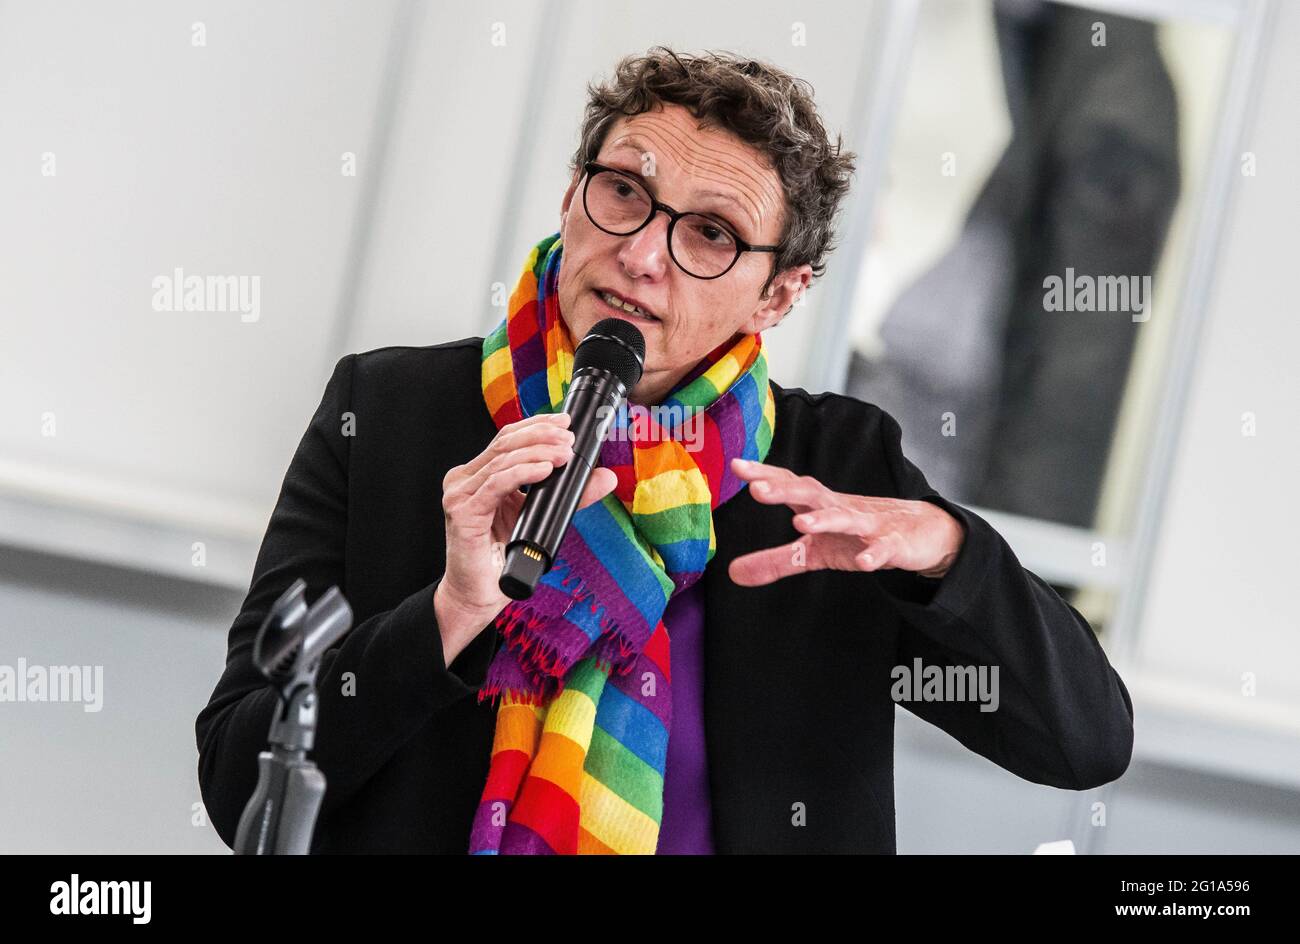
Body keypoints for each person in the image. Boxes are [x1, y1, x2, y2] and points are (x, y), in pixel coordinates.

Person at [195, 46, 1134, 854]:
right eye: (625, 193)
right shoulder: (392, 410)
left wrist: (945, 552)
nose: (644, 254)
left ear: (780, 295)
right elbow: (243, 781)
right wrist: (448, 612)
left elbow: (1083, 742)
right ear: (572, 195)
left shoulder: (832, 469)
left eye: (712, 235)